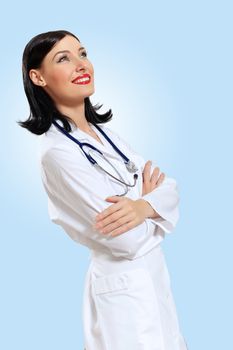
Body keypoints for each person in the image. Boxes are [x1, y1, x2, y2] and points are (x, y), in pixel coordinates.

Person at [18, 29, 188, 350]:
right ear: (38, 77)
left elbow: (170, 188)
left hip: (154, 281)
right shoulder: (58, 153)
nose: (81, 64)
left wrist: (142, 208)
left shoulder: (105, 135)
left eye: (83, 53)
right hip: (122, 292)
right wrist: (151, 203)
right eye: (63, 58)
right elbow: (127, 240)